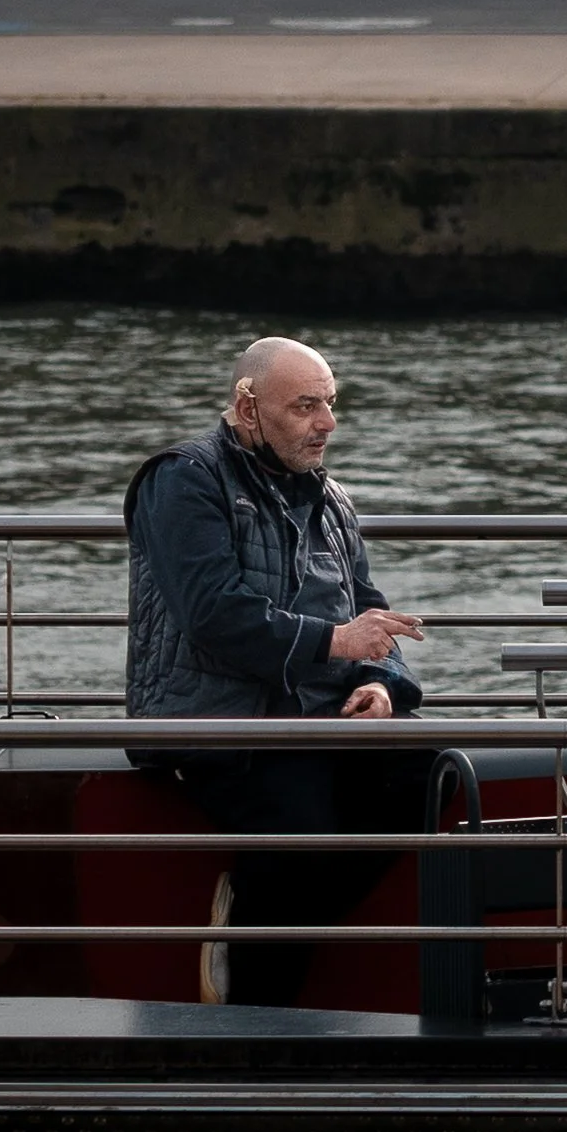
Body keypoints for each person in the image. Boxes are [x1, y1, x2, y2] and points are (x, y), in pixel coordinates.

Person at [124, 336, 429, 1005]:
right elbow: (213, 612)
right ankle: (258, 1016)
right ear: (247, 405)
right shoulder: (183, 478)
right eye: (306, 405)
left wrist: (376, 680)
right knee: (303, 828)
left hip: (316, 717)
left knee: (428, 769)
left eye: (330, 403)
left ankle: (256, 927)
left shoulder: (332, 498)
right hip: (216, 721)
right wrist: (337, 642)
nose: (328, 422)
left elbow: (367, 611)